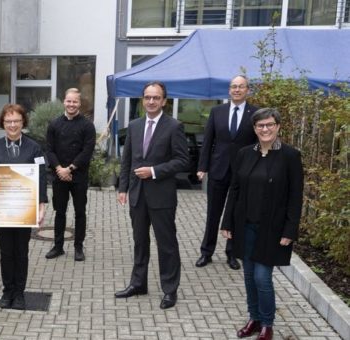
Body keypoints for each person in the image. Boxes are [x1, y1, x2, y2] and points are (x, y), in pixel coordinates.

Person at [221, 108, 303, 340]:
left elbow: (295, 196)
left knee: (262, 277)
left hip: (273, 229)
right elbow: (234, 190)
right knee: (248, 276)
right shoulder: (245, 154)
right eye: (260, 126)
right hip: (244, 226)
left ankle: (267, 324)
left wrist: (290, 229)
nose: (265, 129)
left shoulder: (290, 156)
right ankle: (254, 319)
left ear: (278, 126)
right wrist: (227, 222)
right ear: (254, 129)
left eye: (269, 124)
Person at [115, 81, 189, 310]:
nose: (151, 101)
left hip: (162, 197)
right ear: (142, 100)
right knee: (140, 242)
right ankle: (138, 283)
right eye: (147, 97)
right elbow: (127, 159)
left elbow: (182, 161)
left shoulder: (174, 126)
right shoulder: (135, 126)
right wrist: (122, 187)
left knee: (166, 244)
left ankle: (169, 290)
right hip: (137, 195)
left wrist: (155, 171)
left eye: (156, 98)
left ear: (164, 101)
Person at [0, 104, 48, 310]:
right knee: (6, 253)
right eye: (8, 121)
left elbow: (42, 177)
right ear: (3, 123)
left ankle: (19, 293)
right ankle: (7, 291)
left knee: (21, 252)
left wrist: (42, 206)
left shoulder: (34, 148)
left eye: (16, 121)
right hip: (2, 212)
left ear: (23, 123)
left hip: (24, 210)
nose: (12, 125)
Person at [195, 75, 258, 270]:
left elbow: (258, 143)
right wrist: (202, 167)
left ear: (248, 90)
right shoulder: (217, 112)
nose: (237, 90)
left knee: (236, 214)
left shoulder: (255, 113)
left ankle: (232, 253)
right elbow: (208, 141)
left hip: (243, 172)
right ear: (229, 90)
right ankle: (206, 252)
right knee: (213, 213)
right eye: (233, 87)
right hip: (218, 170)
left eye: (241, 87)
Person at [44, 88, 96, 262]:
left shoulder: (87, 126)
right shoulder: (54, 124)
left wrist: (70, 169)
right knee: (60, 212)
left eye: (75, 101)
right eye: (69, 101)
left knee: (80, 212)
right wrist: (59, 169)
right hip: (59, 176)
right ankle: (58, 246)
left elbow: (87, 151)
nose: (71, 104)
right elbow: (49, 150)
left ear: (80, 104)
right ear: (64, 102)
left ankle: (78, 247)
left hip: (79, 176)